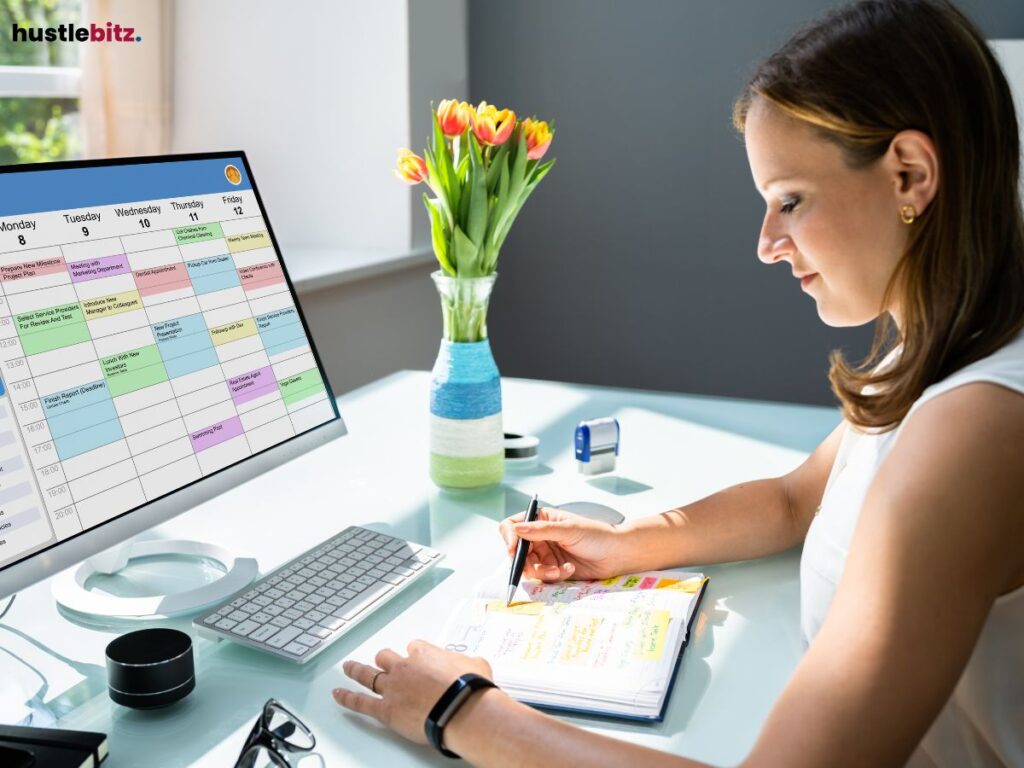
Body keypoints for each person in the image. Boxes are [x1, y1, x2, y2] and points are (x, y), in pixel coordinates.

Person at [333, 1, 1024, 765]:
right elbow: (801, 498)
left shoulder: (978, 427)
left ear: (910, 174)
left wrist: (462, 710)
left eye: (790, 200)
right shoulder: (938, 349)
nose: (766, 245)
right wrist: (629, 543)